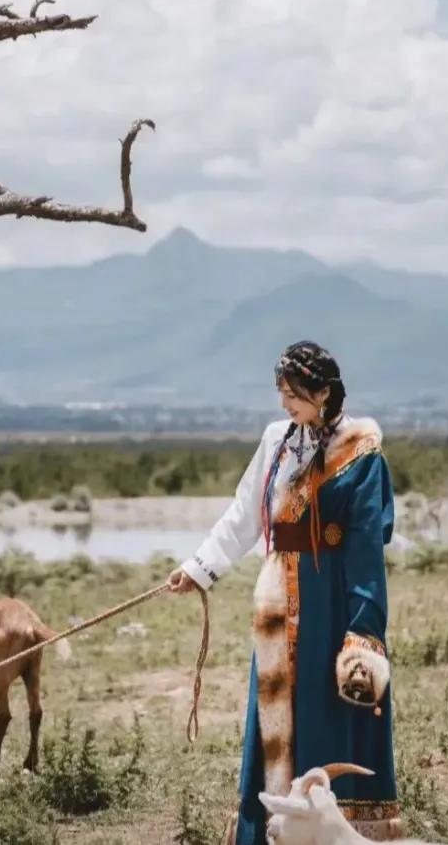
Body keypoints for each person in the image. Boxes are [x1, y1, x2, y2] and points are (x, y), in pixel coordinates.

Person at [168, 340, 401, 842]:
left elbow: (365, 547)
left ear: (323, 393)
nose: (283, 403)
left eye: (293, 392)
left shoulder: (361, 452)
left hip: (331, 601)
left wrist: (362, 632)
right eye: (280, 391)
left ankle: (332, 832)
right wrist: (199, 567)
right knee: (275, 718)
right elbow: (244, 514)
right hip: (277, 602)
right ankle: (271, 830)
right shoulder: (277, 439)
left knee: (326, 712)